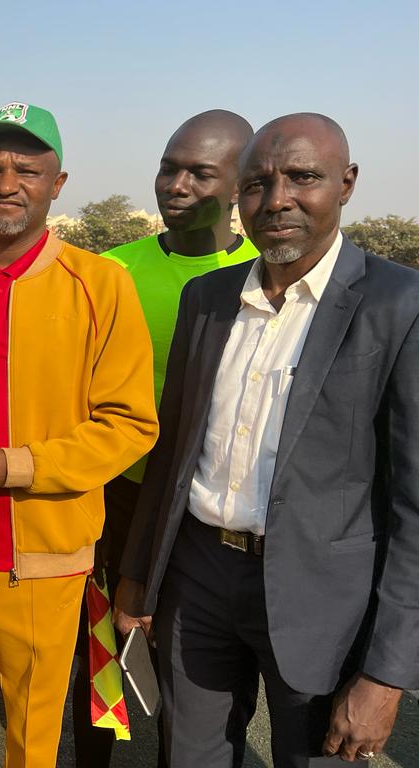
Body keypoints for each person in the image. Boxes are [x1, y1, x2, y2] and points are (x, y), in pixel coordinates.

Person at [115, 113, 419, 766]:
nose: (276, 199)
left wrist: (387, 674)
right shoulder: (208, 298)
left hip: (322, 603)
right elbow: (172, 455)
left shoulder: (398, 306)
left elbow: (414, 510)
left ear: (346, 183)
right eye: (257, 182)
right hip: (196, 580)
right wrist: (139, 580)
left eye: (302, 177)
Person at [0, 101, 158, 767]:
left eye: (26, 169)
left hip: (39, 562)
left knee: (30, 742)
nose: (5, 183)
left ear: (58, 184)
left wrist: (7, 466)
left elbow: (128, 426)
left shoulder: (101, 284)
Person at [72, 109, 257, 767]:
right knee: (98, 655)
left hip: (203, 513)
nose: (176, 185)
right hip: (117, 498)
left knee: (191, 671)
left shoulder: (267, 278)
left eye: (199, 173)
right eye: (168, 167)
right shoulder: (110, 271)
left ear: (240, 185)